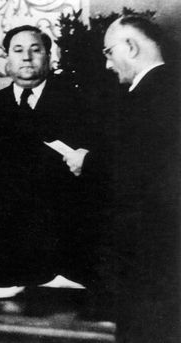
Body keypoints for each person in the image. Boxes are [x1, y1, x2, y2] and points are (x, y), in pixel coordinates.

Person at [0, 25, 95, 285]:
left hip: (61, 245)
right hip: (3, 243)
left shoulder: (77, 101)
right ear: (7, 58)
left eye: (35, 50)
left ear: (49, 56)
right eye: (18, 50)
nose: (26, 57)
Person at [97, 15, 180, 343]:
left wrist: (87, 162)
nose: (107, 65)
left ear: (129, 46)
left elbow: (136, 183)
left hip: (150, 263)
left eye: (107, 52)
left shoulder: (141, 101)